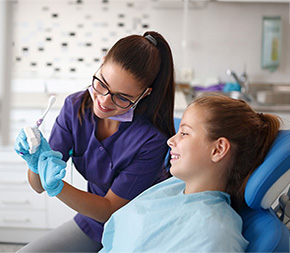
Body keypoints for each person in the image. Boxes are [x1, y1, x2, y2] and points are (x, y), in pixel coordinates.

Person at [14, 31, 175, 252]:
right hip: (93, 223)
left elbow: (110, 209)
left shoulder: (151, 139)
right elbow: (39, 186)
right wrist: (35, 163)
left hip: (139, 230)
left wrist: (58, 186)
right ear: (100, 66)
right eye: (102, 83)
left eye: (121, 97)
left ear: (144, 94)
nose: (103, 101)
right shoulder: (75, 107)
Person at [99, 93, 281, 252]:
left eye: (184, 133)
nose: (170, 140)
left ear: (218, 150)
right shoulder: (176, 186)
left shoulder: (214, 231)